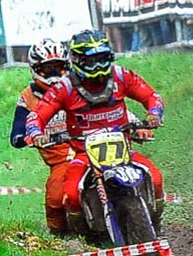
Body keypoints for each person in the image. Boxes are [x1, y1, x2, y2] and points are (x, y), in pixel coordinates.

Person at [23, 30, 167, 235]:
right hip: (84, 155)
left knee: (156, 179)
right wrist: (36, 133)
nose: (98, 67)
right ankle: (82, 236)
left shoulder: (121, 76)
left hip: (123, 151)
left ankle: (156, 223)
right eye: (91, 62)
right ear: (77, 61)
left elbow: (152, 96)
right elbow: (37, 115)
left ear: (110, 56)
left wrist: (154, 114)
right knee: (71, 194)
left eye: (102, 60)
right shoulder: (65, 88)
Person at [8, 40, 76, 235]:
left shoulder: (78, 85)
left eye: (58, 68)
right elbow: (16, 135)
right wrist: (28, 138)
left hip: (91, 146)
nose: (54, 74)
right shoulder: (29, 97)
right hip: (61, 159)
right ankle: (61, 237)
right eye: (48, 69)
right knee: (55, 197)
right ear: (35, 69)